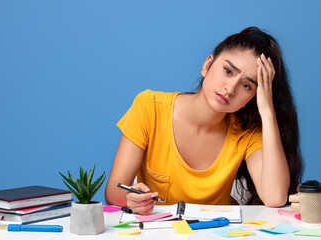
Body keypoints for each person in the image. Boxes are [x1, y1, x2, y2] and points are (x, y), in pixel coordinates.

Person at [105, 27, 303, 215]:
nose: (230, 89)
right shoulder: (149, 107)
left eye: (246, 85)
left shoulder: (246, 133)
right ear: (207, 65)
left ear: (253, 97)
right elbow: (113, 193)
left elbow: (275, 197)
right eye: (228, 71)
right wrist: (131, 199)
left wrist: (267, 110)